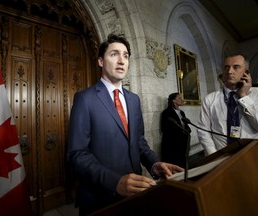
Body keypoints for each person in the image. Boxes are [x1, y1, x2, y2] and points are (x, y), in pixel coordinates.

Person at [67, 34, 184, 215]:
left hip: (135, 195)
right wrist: (115, 182)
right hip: (100, 198)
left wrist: (154, 164)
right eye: (114, 54)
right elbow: (77, 155)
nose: (121, 60)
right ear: (100, 61)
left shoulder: (134, 100)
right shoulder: (85, 99)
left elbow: (139, 142)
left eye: (126, 55)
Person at [197, 53, 258, 157]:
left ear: (246, 72)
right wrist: (214, 156)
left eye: (236, 67)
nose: (229, 71)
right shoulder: (210, 99)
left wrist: (244, 97)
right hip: (224, 158)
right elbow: (203, 131)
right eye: (226, 67)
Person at [160, 93, 190, 168]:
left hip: (183, 143)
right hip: (173, 144)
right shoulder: (166, 112)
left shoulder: (182, 112)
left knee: (183, 165)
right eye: (179, 98)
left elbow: (185, 125)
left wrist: (187, 130)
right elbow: (164, 128)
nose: (182, 100)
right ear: (173, 100)